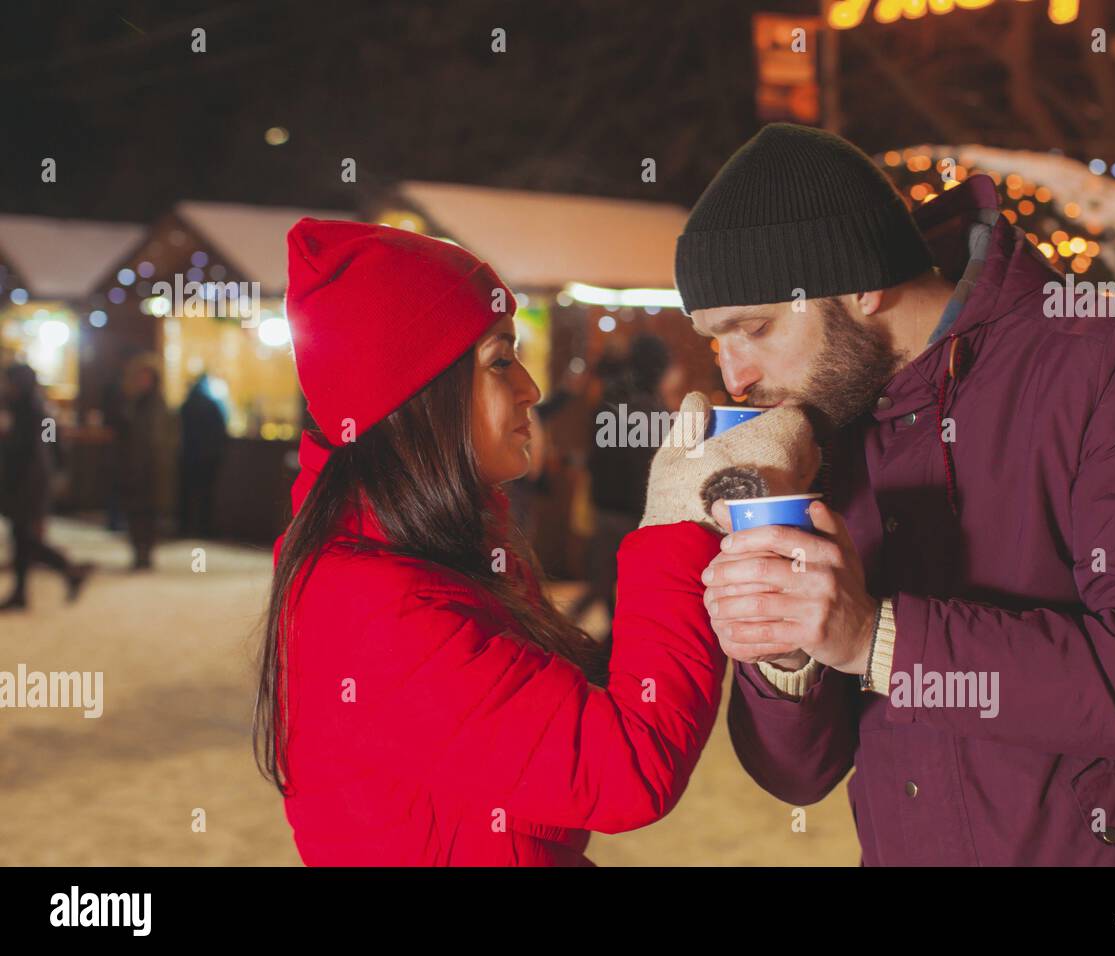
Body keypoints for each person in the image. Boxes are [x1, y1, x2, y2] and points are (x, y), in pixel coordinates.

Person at [678, 123, 1115, 866]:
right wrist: (782, 650)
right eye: (716, 341)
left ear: (861, 281)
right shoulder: (829, 428)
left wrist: (875, 638)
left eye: (755, 329)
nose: (734, 376)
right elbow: (799, 777)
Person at [255, 219, 819, 866]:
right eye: (500, 360)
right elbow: (623, 768)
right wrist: (675, 524)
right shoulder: (376, 605)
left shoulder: (419, 556)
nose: (531, 388)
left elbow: (555, 728)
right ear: (418, 396)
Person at [569, 334, 673, 640]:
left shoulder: (612, 401)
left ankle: (604, 634)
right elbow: (655, 466)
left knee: (606, 576)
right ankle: (615, 637)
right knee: (631, 580)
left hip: (607, 504)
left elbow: (597, 454)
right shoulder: (652, 408)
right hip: (635, 510)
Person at [0, 363, 93, 611]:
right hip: (24, 480)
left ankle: (68, 569)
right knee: (21, 538)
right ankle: (22, 592)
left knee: (25, 537)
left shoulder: (33, 411)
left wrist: (55, 473)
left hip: (29, 482)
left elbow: (48, 445)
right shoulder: (26, 409)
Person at [115, 355, 177, 570]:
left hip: (151, 470)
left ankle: (145, 554)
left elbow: (163, 440)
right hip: (132, 467)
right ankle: (138, 552)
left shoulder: (157, 405)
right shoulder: (131, 403)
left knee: (147, 514)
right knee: (134, 514)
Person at [176, 373, 228, 538]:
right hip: (208, 456)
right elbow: (221, 429)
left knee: (186, 494)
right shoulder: (212, 405)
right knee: (206, 494)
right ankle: (204, 528)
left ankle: (184, 527)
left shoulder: (186, 405)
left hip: (189, 455)